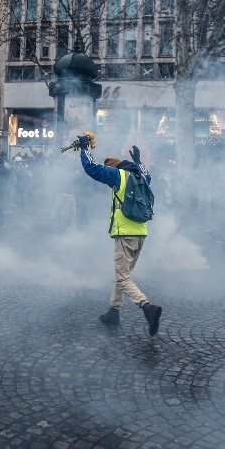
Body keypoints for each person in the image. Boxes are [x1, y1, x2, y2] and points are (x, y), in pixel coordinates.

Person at [78, 136, 162, 336]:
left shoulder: (118, 175)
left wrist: (84, 148)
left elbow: (92, 168)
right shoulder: (140, 175)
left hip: (125, 233)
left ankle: (147, 308)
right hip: (141, 232)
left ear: (114, 167)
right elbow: (147, 174)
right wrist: (139, 161)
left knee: (123, 278)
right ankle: (113, 311)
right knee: (123, 275)